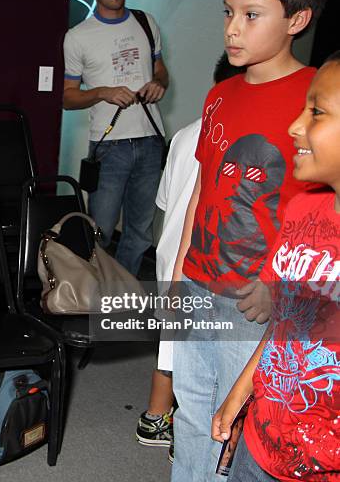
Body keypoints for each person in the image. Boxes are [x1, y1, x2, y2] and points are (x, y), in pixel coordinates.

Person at [169, 0, 331, 480]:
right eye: (228, 13)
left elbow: (316, 209)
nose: (232, 30)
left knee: (238, 423)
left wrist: (273, 285)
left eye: (251, 16)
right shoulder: (220, 95)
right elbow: (202, 191)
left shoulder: (315, 98)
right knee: (192, 411)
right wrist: (177, 275)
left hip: (254, 302)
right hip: (199, 280)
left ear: (297, 21)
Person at [212, 51, 340, 481]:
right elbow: (282, 326)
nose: (295, 125)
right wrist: (239, 396)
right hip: (261, 443)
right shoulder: (304, 209)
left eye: (317, 111)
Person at [136, 54, 245, 464]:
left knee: (173, 344)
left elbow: (165, 200)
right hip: (200, 261)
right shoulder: (239, 141)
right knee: (199, 355)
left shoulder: (184, 134)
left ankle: (154, 417)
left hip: (171, 255)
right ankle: (176, 429)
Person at [63, 0, 169, 277]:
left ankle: (120, 296)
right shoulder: (78, 36)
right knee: (102, 230)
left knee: (139, 233)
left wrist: (158, 84)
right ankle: (89, 292)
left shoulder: (146, 22)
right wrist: (102, 93)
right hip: (109, 146)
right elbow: (68, 98)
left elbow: (162, 72)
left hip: (150, 140)